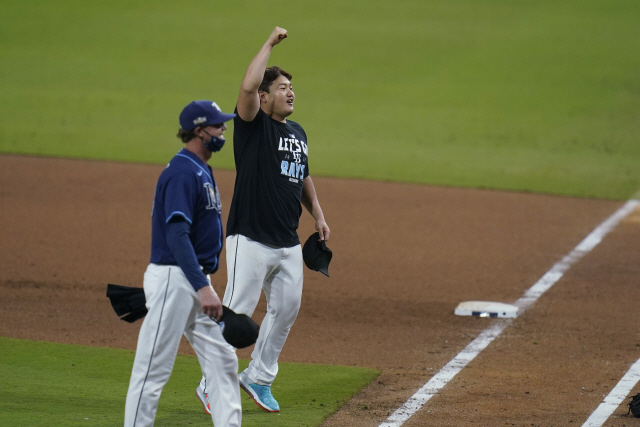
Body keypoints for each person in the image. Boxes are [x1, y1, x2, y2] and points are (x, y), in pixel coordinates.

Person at [195, 26, 330, 414]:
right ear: (265, 97)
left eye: (292, 86)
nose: (290, 92)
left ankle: (258, 377)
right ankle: (210, 384)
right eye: (282, 86)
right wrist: (269, 44)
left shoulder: (298, 132)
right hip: (250, 238)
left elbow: (301, 173)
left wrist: (318, 214)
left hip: (287, 241)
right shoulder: (253, 125)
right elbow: (246, 87)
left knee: (286, 310)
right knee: (236, 311)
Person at [124, 100, 241, 427]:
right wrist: (203, 288)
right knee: (152, 370)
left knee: (222, 361)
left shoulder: (200, 167)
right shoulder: (181, 172)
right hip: (176, 279)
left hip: (191, 278)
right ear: (199, 130)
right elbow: (177, 236)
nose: (224, 130)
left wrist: (202, 284)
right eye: (218, 125)